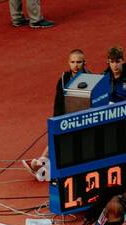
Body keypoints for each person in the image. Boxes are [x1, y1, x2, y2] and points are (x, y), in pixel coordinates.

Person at [25, 49, 90, 181]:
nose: (75, 65)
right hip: (65, 117)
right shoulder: (63, 79)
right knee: (56, 138)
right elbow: (58, 102)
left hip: (82, 119)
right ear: (68, 62)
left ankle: (41, 165)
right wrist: (57, 120)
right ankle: (41, 164)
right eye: (72, 62)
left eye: (79, 62)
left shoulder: (90, 78)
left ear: (84, 62)